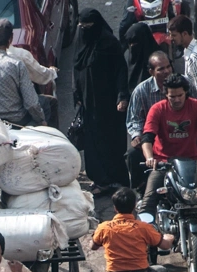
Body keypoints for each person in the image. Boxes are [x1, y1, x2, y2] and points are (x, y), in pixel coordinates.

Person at [139, 74, 197, 262]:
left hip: (193, 162)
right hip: (164, 163)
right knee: (147, 201)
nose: (176, 100)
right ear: (165, 95)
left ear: (186, 93)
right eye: (171, 96)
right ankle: (146, 244)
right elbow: (147, 137)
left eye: (179, 96)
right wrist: (150, 158)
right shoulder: (157, 109)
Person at [75, 9, 130, 195]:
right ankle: (101, 181)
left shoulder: (109, 43)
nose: (84, 30)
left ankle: (117, 180)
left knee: (111, 142)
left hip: (109, 105)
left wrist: (122, 96)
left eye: (88, 26)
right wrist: (77, 95)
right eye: (82, 27)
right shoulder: (81, 42)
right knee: (93, 144)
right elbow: (77, 69)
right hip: (88, 105)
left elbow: (120, 70)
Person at [0, 19, 59, 127]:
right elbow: (31, 102)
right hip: (17, 119)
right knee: (50, 102)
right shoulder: (18, 62)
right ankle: (52, 136)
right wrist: (41, 120)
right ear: (9, 40)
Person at [125, 51, 172, 189]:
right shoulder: (141, 91)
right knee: (132, 155)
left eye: (168, 67)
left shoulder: (184, 84)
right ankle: (141, 188)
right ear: (151, 72)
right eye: (161, 69)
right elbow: (135, 119)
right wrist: (137, 136)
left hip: (180, 135)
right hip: (151, 139)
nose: (166, 71)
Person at [123, 23, 159, 92]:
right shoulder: (130, 61)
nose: (132, 46)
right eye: (130, 43)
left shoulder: (160, 63)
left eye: (134, 42)